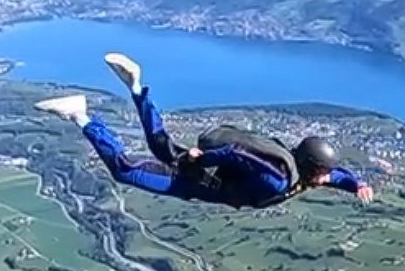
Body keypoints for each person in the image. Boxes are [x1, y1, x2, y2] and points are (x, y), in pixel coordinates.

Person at [36, 53, 375, 210]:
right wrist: (205, 156)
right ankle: (81, 115)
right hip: (195, 180)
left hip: (203, 174)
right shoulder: (278, 177)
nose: (326, 177)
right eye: (323, 172)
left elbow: (338, 176)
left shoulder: (302, 170)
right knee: (125, 172)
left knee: (161, 145)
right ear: (311, 167)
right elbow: (235, 154)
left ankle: (138, 88)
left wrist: (355, 184)